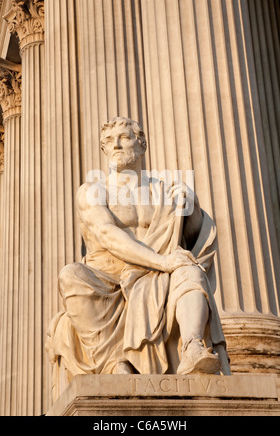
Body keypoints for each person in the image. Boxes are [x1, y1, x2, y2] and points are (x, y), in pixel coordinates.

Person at [46, 116, 230, 382]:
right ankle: (114, 361)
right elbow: (107, 235)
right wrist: (162, 262)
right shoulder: (92, 191)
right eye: (109, 141)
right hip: (107, 278)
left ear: (141, 144)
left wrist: (193, 209)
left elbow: (192, 237)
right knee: (71, 276)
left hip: (156, 277)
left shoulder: (163, 191)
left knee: (189, 269)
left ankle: (192, 347)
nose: (116, 146)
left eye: (124, 138)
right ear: (104, 150)